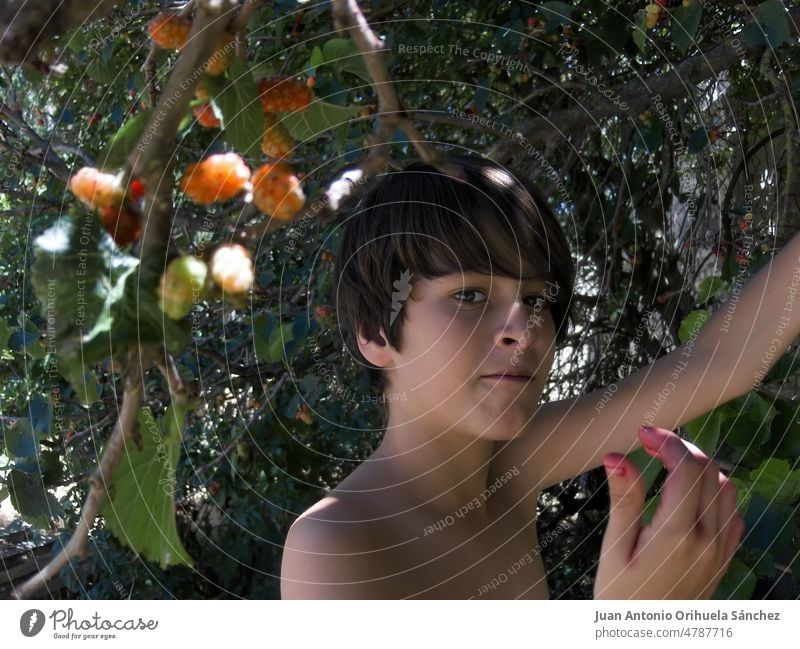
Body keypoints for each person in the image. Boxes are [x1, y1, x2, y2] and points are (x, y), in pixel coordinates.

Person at [280, 154, 795, 599]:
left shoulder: (510, 467)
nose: (522, 330)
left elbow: (723, 360)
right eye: (468, 295)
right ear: (374, 333)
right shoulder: (335, 545)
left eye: (534, 300)